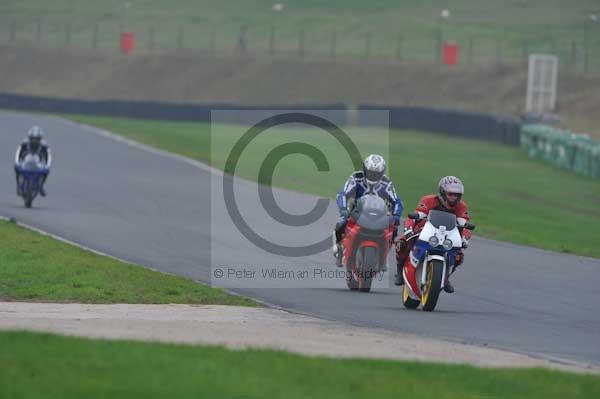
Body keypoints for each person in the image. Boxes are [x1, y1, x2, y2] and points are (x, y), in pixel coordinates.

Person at [394, 176, 472, 293]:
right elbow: (416, 214)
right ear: (442, 192)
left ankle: (445, 278)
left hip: (448, 236)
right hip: (425, 230)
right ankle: (399, 271)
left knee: (459, 257)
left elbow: (465, 223)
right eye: (450, 194)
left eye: (456, 195)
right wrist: (408, 228)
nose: (453, 197)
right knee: (401, 243)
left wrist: (465, 238)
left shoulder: (462, 206)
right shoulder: (428, 200)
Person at [333, 154, 403, 267]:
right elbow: (342, 194)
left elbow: (397, 201)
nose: (373, 176)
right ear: (365, 170)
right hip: (356, 211)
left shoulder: (386, 183)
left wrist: (396, 216)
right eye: (370, 173)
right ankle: (340, 251)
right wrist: (343, 209)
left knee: (394, 229)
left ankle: (383, 255)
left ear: (382, 173)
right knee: (340, 224)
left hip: (379, 213)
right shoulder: (356, 178)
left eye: (376, 174)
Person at [15, 126, 52, 197]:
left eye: (37, 139)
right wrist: (17, 162)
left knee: (47, 171)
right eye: (33, 139)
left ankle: (41, 186)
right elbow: (18, 153)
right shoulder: (24, 144)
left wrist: (47, 165)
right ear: (29, 138)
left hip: (38, 164)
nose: (35, 141)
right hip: (26, 162)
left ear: (40, 139)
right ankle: (18, 186)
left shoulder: (44, 146)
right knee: (16, 168)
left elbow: (48, 156)